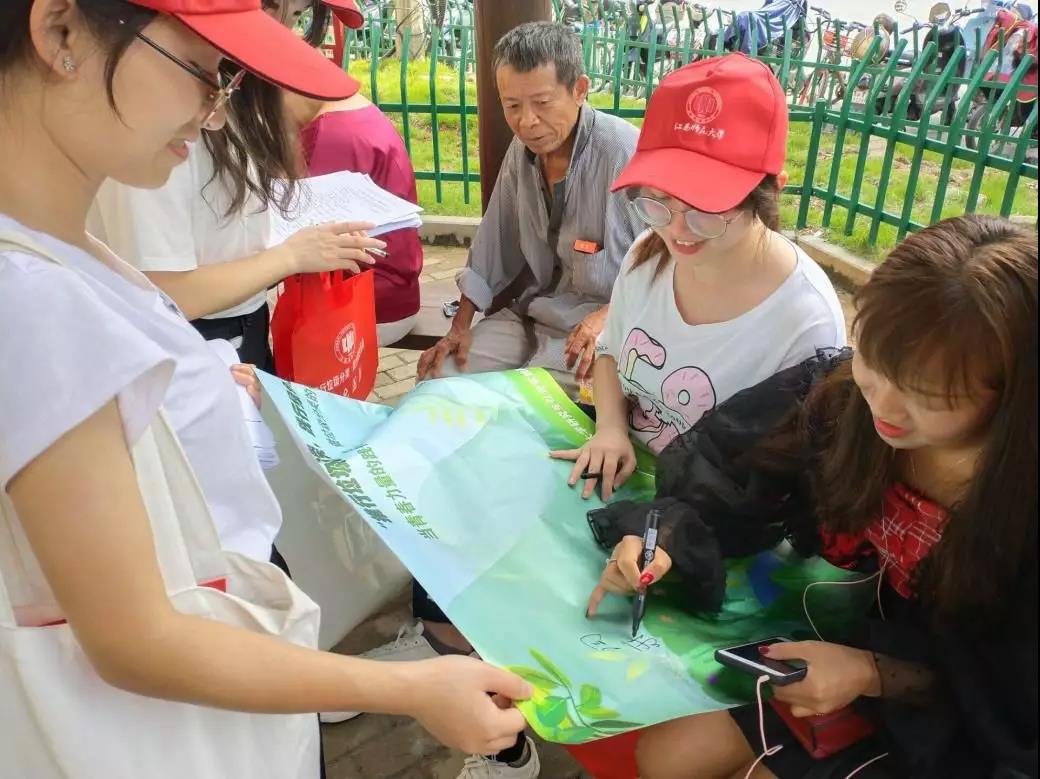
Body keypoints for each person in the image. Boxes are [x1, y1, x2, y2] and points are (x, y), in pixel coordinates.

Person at [0, 3, 530, 777]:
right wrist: (409, 687)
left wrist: (203, 383)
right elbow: (137, 639)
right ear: (61, 34)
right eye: (201, 70)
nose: (216, 110)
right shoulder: (37, 300)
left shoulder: (60, 250)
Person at [586, 215, 1037, 779]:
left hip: (977, 721)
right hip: (861, 648)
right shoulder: (841, 398)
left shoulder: (1020, 514)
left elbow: (1009, 700)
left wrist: (873, 673)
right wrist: (664, 543)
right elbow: (729, 477)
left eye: (928, 394)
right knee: (665, 760)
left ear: (1013, 398)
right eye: (875, 358)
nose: (886, 409)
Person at [552, 53, 846, 502]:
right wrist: (611, 429)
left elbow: (787, 476)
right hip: (626, 473)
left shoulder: (804, 322)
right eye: (658, 200)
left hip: (714, 515)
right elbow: (611, 351)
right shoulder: (647, 256)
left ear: (771, 190)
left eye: (707, 208)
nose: (677, 231)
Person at [87, 0, 384, 372]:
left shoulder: (232, 95)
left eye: (297, 18)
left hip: (239, 325)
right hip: (193, 337)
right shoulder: (156, 131)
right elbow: (161, 291)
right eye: (275, 8)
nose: (282, 34)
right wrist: (289, 257)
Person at [416, 21, 643, 398]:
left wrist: (607, 316)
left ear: (580, 90)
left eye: (542, 103)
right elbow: (494, 240)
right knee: (438, 379)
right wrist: (460, 326)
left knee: (527, 404)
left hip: (601, 330)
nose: (527, 122)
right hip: (531, 314)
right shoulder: (522, 152)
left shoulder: (623, 152)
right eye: (512, 106)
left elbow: (666, 263)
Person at [280, 0, 424, 347]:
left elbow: (300, 232)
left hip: (369, 302)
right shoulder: (352, 110)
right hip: (391, 289)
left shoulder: (331, 136)